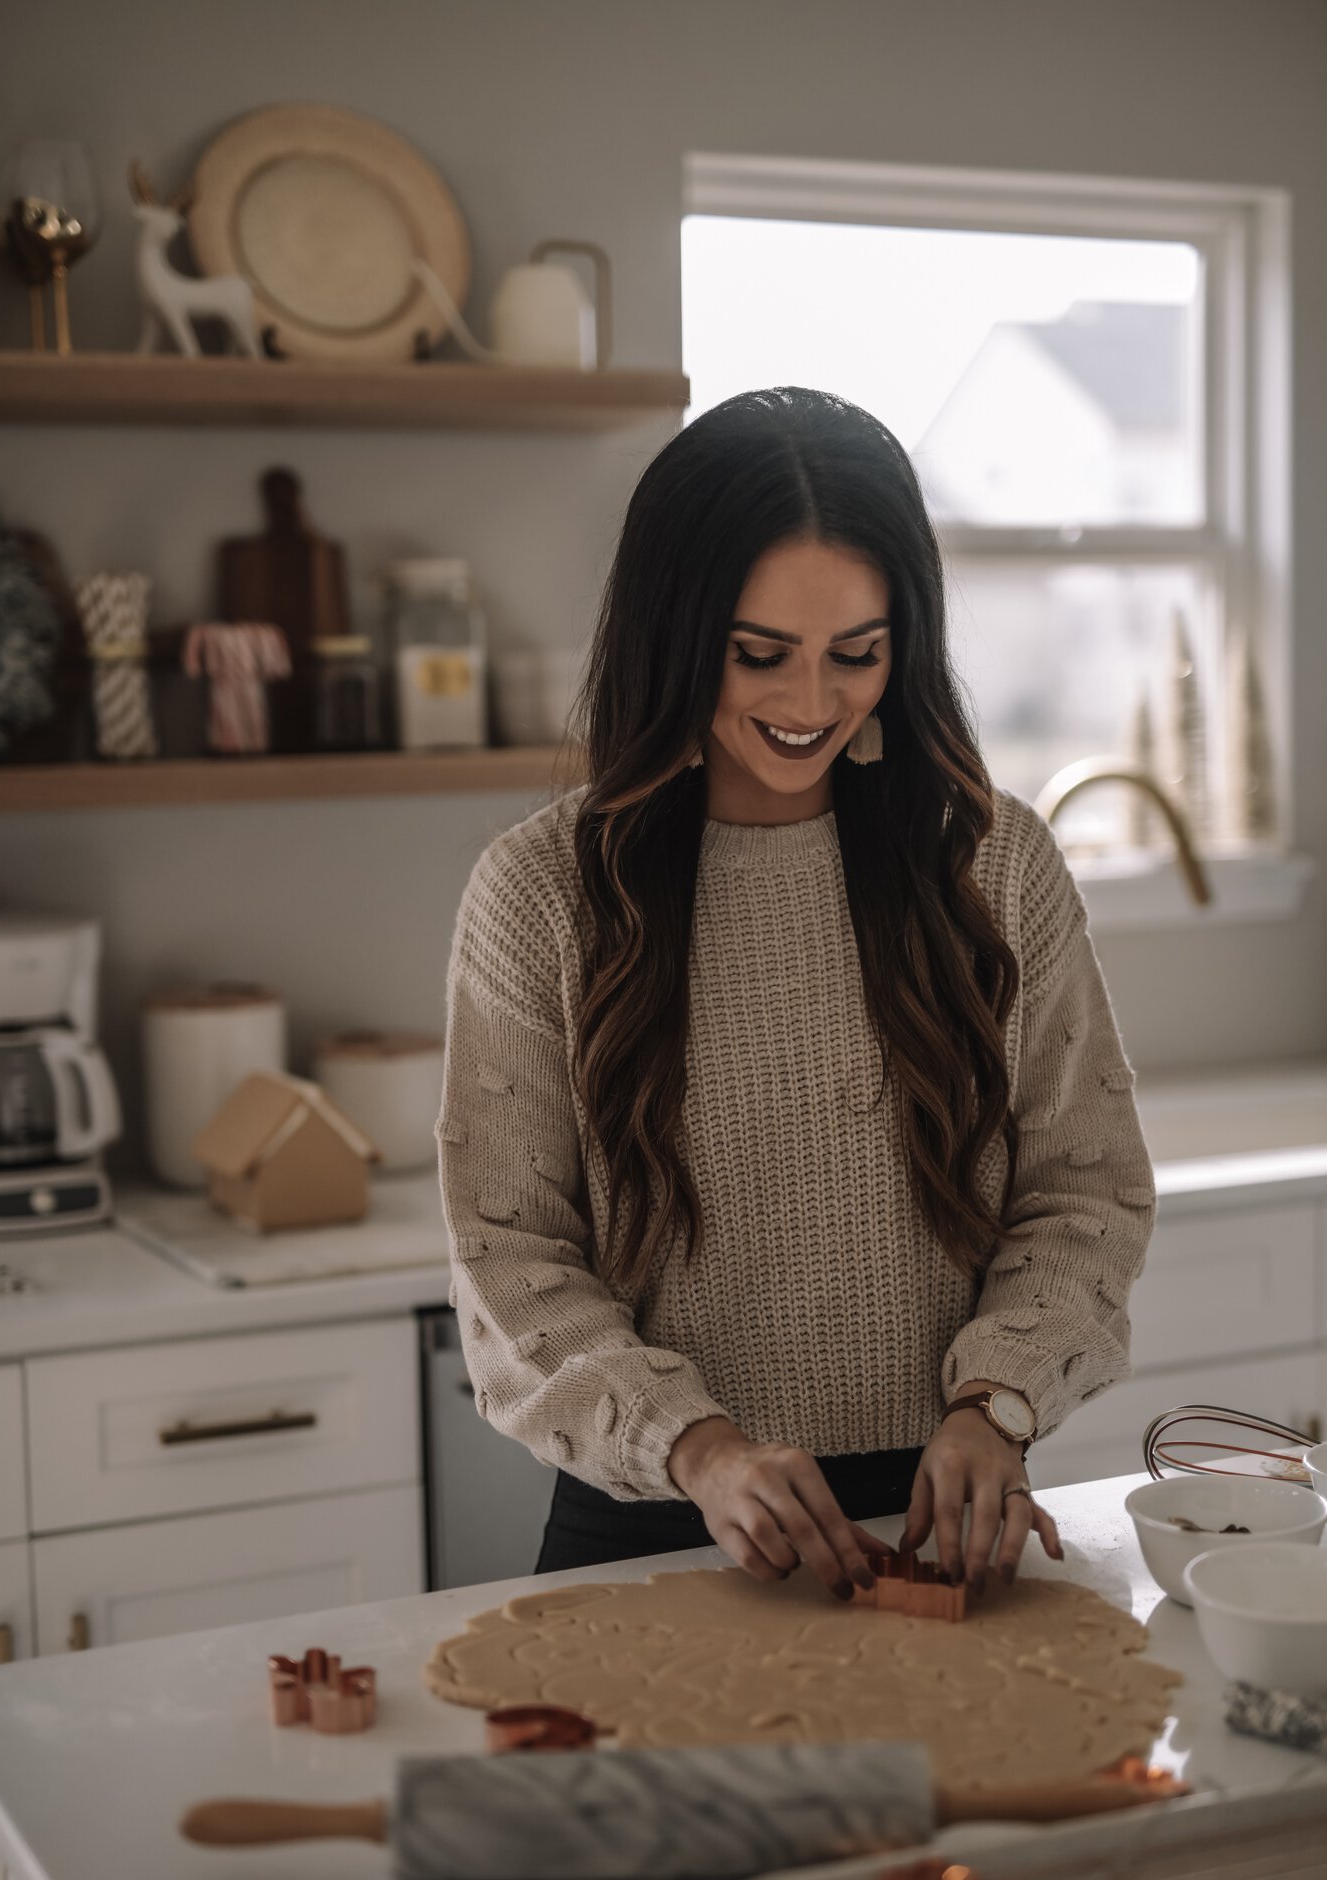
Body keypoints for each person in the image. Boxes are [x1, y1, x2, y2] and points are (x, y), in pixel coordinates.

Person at [436, 384, 1156, 1602]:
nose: (811, 703)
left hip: (948, 1514)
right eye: (759, 654)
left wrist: (998, 1403)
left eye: (856, 654)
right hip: (657, 1525)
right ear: (674, 635)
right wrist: (698, 1447)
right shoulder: (539, 893)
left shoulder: (996, 865)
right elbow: (509, 1256)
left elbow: (1083, 1194)